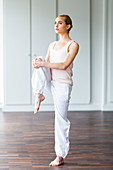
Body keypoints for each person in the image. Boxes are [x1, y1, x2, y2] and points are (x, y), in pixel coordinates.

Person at [32, 14, 79, 166]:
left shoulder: (73, 45)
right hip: (50, 81)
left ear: (68, 26)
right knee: (40, 59)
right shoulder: (52, 44)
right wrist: (38, 64)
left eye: (60, 23)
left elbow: (64, 65)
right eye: (55, 23)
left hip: (63, 85)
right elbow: (47, 63)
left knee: (60, 119)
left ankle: (60, 156)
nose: (56, 25)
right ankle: (39, 95)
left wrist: (43, 64)